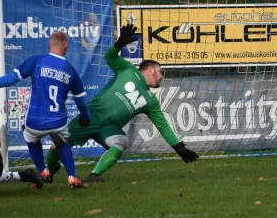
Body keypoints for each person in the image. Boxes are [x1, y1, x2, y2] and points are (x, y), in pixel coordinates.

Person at [46, 24, 199, 183]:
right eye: (160, 72)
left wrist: (178, 147)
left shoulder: (151, 101)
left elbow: (163, 125)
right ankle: (48, 172)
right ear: (150, 69)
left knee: (121, 141)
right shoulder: (128, 69)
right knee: (58, 144)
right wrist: (119, 43)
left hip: (109, 127)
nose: (161, 77)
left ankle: (94, 175)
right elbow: (109, 57)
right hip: (91, 116)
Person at [0, 31, 91, 188]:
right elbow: (80, 101)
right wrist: (85, 117)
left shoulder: (37, 61)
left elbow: (10, 79)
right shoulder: (71, 71)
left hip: (35, 122)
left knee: (31, 139)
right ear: (66, 46)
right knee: (62, 142)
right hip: (58, 121)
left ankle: (43, 171)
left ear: (49, 44)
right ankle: (72, 177)